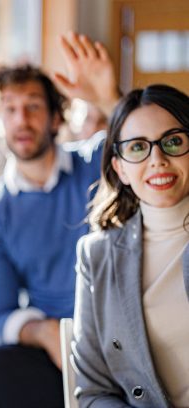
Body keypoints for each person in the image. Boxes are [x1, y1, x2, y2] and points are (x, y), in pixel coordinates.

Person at [0, 33, 121, 407]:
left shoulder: (97, 162)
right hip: (57, 347)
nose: (22, 119)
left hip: (124, 328)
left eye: (34, 106)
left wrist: (110, 98)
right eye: (10, 109)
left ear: (55, 117)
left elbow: (145, 143)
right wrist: (45, 332)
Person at [73, 84, 189, 407]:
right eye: (138, 148)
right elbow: (95, 392)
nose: (158, 159)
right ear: (119, 167)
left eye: (173, 142)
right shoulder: (96, 255)